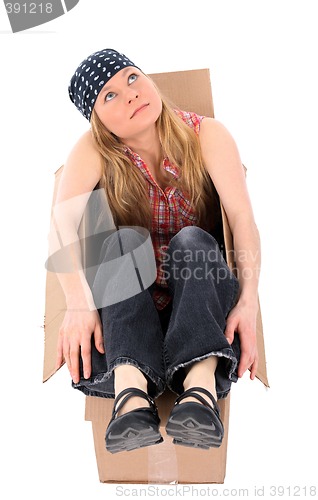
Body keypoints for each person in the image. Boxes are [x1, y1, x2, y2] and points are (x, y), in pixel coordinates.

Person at [53, 48, 260, 454]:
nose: (129, 94)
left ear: (148, 80)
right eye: (109, 95)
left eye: (132, 78)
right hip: (130, 310)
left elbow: (241, 220)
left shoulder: (206, 134)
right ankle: (131, 399)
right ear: (99, 122)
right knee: (118, 243)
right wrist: (77, 304)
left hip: (198, 299)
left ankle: (199, 394)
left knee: (193, 239)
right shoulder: (94, 150)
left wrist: (248, 302)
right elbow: (61, 225)